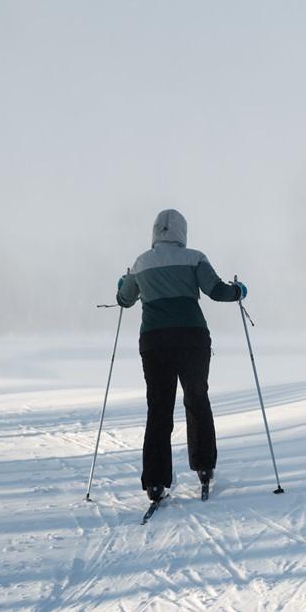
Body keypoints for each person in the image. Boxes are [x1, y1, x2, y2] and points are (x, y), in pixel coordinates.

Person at [116, 209, 246, 502]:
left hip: (154, 343)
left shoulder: (141, 262)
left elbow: (125, 300)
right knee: (197, 398)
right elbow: (216, 291)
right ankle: (203, 466)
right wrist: (238, 290)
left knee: (159, 407)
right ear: (182, 233)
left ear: (154, 232)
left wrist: (123, 285)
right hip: (192, 339)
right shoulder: (195, 258)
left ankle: (155, 480)